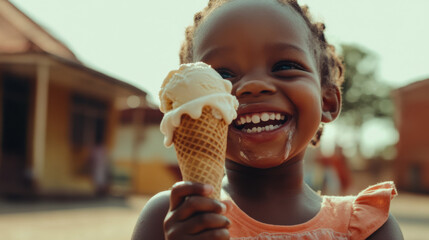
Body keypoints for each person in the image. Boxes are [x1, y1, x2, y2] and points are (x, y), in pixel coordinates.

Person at [132, 0, 403, 239]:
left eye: (285, 66)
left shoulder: (368, 228)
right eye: (223, 75)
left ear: (327, 101)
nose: (254, 85)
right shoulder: (169, 218)